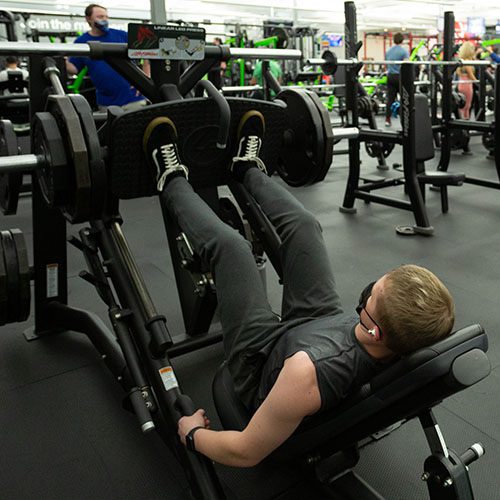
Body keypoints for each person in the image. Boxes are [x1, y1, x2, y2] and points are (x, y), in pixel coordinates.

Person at [141, 109, 456, 467]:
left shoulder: (305, 376)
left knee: (232, 250)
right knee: (306, 227)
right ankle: (246, 169)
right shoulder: (408, 332)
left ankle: (169, 179)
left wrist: (192, 433)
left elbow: (245, 451)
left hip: (260, 359)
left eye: (372, 295)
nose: (368, 290)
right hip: (327, 328)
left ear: (374, 327)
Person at [66, 4, 149, 111]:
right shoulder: (81, 42)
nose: (104, 20)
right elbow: (74, 69)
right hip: (106, 103)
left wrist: (145, 80)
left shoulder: (121, 36)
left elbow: (148, 51)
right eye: (100, 17)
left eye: (106, 17)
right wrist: (60, 60)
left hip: (133, 99)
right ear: (88, 19)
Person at [384, 33, 409, 127]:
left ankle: (387, 120)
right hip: (399, 77)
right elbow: (407, 65)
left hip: (390, 76)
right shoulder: (404, 51)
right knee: (404, 99)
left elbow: (386, 64)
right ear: (402, 40)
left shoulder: (388, 51)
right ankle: (404, 121)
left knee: (390, 99)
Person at [455, 42, 476, 120]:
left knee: (462, 104)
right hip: (467, 85)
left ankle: (462, 122)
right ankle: (465, 124)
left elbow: (458, 72)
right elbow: (471, 75)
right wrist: (478, 82)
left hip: (462, 83)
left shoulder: (462, 61)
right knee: (467, 105)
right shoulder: (467, 62)